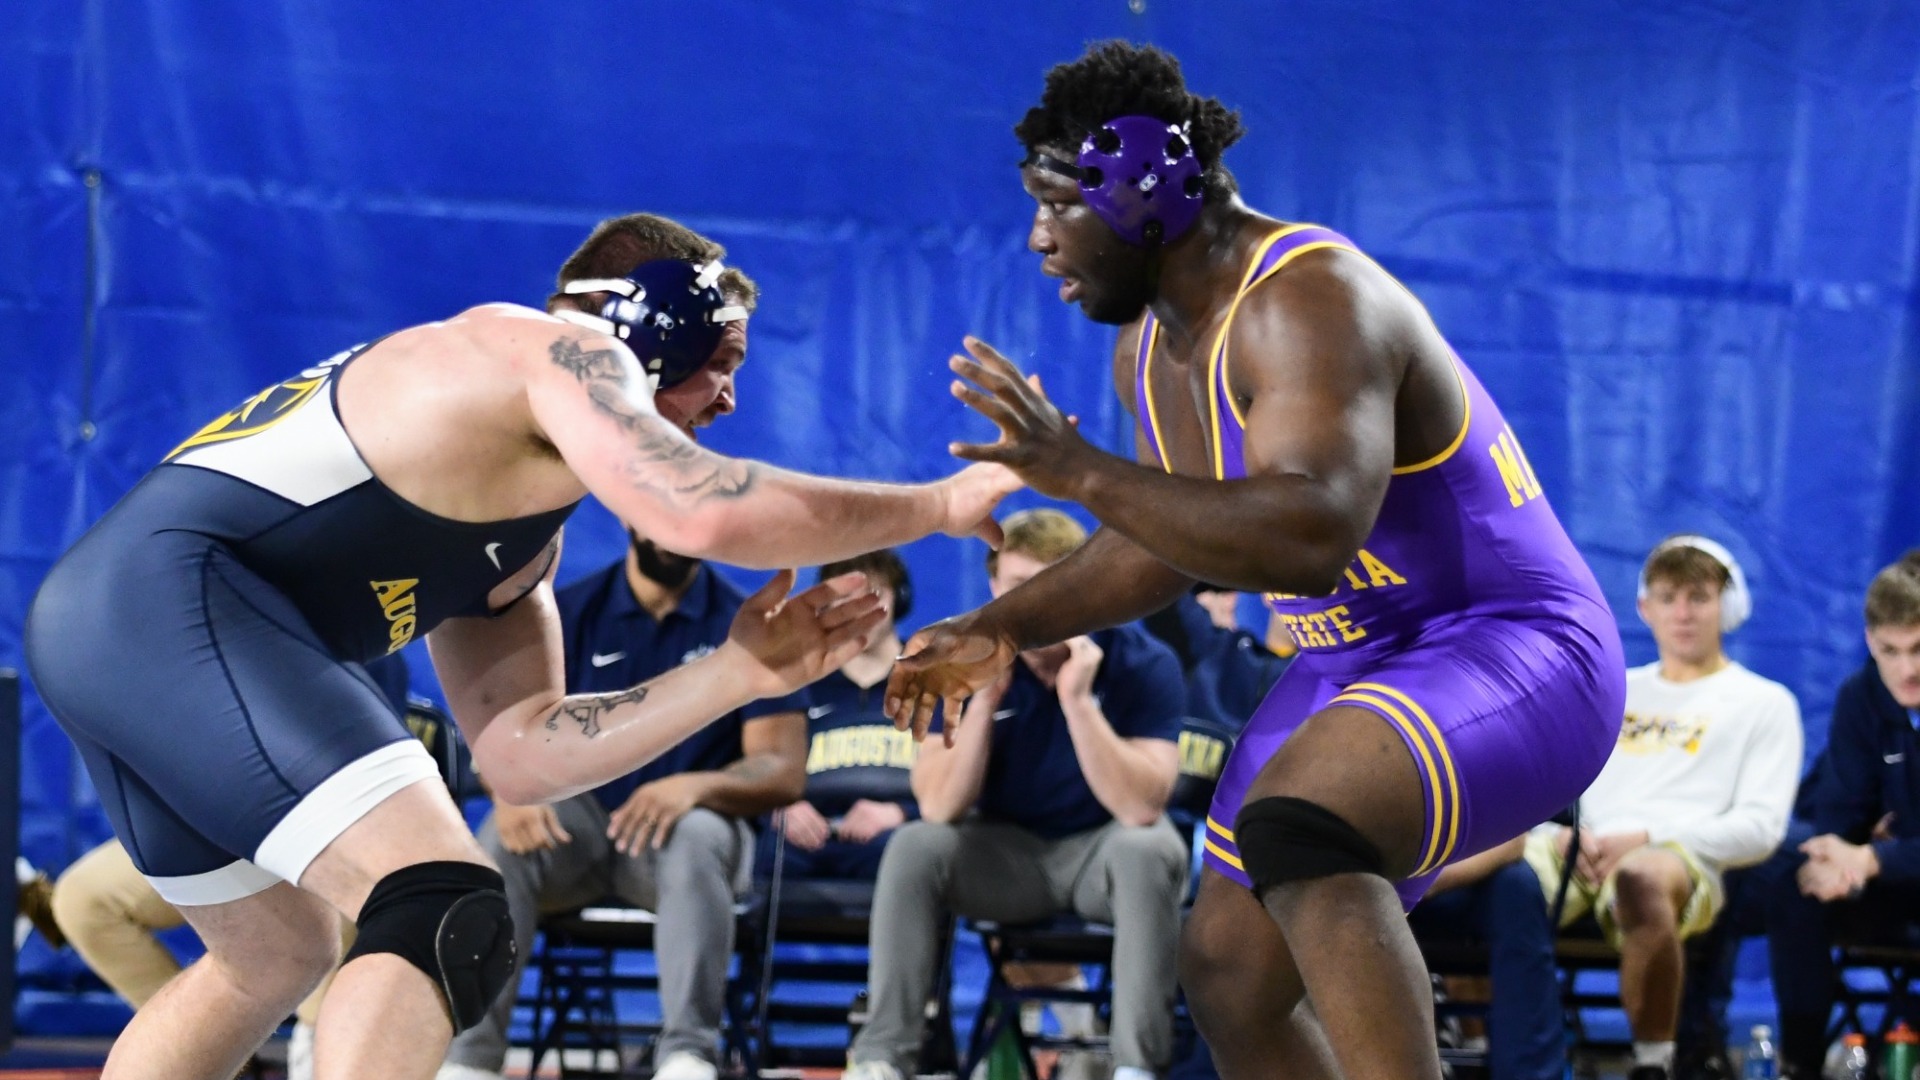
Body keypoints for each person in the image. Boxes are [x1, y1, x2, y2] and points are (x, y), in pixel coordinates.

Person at [24, 211, 1018, 1080]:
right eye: (722, 361)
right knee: (443, 904)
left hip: (115, 624)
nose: (728, 399)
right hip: (173, 602)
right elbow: (701, 511)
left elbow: (521, 752)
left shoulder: (519, 527)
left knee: (274, 956)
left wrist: (735, 673)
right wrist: (936, 505)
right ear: (648, 328)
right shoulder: (549, 350)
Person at [883, 42, 1626, 1080]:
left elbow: (1309, 539)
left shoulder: (1309, 299)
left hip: (1509, 646)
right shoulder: (1150, 347)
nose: (1039, 239)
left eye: (1057, 206)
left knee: (1301, 827)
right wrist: (999, 626)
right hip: (1357, 661)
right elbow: (1170, 539)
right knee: (1229, 973)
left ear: (1140, 191)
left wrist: (1079, 471)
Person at [439, 525, 811, 1080]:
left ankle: (688, 1055)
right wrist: (505, 790)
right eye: (664, 521)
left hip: (680, 838)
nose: (677, 536)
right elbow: (499, 727)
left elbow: (781, 767)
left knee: (698, 835)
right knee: (499, 837)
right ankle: (470, 1060)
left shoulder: (743, 622)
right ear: (633, 519)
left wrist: (695, 787)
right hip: (581, 827)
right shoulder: (569, 612)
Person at [844, 509, 1189, 1080]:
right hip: (1007, 856)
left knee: (1150, 848)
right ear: (993, 587)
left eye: (1047, 584)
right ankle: (882, 1057)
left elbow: (1139, 807)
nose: (1030, 602)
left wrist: (1078, 702)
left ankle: (1135, 1067)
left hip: (1100, 855)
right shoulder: (958, 659)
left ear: (1081, 585)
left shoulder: (1142, 661)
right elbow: (938, 807)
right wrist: (980, 699)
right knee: (915, 846)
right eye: (1016, 585)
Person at [1522, 536, 1799, 1079]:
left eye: (1698, 597)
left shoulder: (1765, 703)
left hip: (1676, 855)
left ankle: (1652, 1064)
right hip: (1579, 846)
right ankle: (1466, 1043)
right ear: (1644, 608)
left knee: (1643, 879)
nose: (1683, 613)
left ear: (1728, 607)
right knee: (1470, 867)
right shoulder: (1613, 690)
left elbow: (1762, 828)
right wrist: (1556, 834)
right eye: (1669, 598)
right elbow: (1543, 786)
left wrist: (1649, 836)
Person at [1761, 556, 1920, 1078]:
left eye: (1918, 649)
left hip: (1893, 868)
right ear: (1870, 641)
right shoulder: (1861, 696)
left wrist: (1875, 857)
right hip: (1894, 882)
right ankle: (1800, 1062)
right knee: (1796, 880)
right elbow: (1839, 813)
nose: (1907, 670)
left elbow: (1870, 845)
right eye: (1890, 651)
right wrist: (1838, 860)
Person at [775, 549, 921, 882]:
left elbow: (963, 784)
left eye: (872, 595)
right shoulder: (797, 682)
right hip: (805, 836)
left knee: (913, 854)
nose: (858, 611)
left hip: (897, 833)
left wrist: (903, 813)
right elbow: (761, 763)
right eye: (843, 600)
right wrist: (781, 808)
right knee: (765, 856)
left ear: (899, 600)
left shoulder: (934, 680)